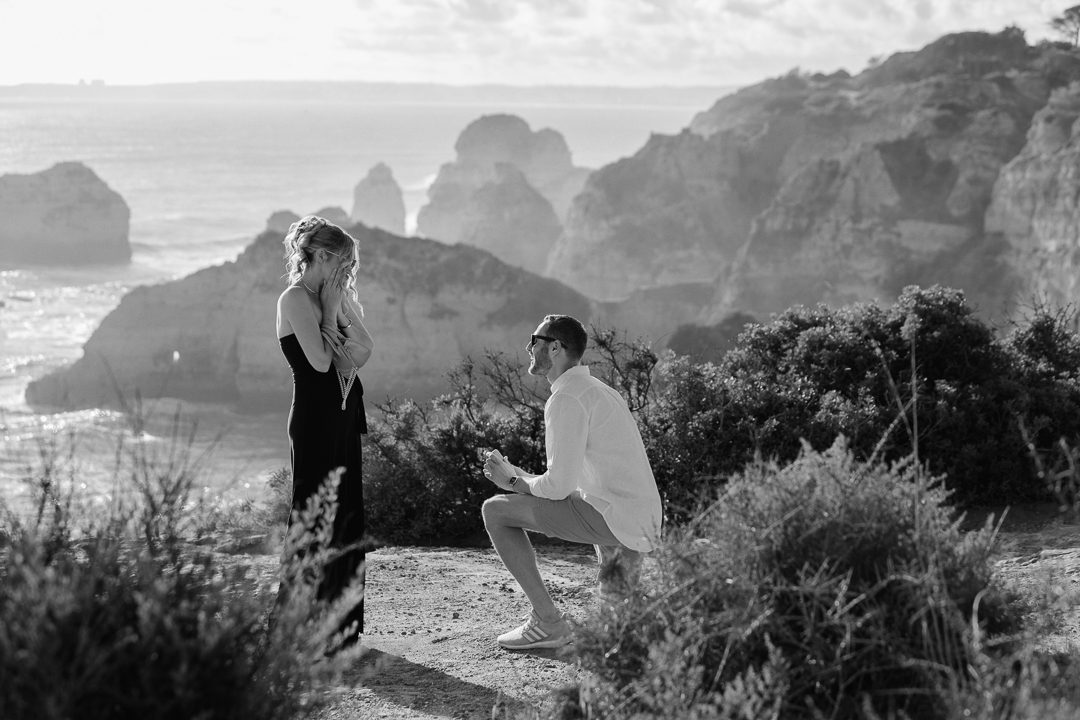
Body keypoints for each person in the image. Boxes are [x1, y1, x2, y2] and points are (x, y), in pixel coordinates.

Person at [481, 314, 662, 650]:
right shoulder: (597, 390)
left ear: (555, 348)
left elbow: (558, 488)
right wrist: (517, 476)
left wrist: (513, 483)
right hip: (637, 517)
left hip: (614, 518)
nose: (528, 347)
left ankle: (547, 622)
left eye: (534, 340)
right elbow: (575, 480)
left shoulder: (566, 397)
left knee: (495, 512)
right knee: (618, 631)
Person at [276, 214, 373, 644]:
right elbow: (319, 362)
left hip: (345, 410)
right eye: (344, 262)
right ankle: (300, 632)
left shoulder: (339, 296)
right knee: (314, 517)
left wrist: (338, 317)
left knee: (345, 516)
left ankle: (341, 630)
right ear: (321, 255)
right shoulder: (295, 299)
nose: (348, 271)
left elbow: (363, 352)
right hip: (315, 418)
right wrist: (333, 314)